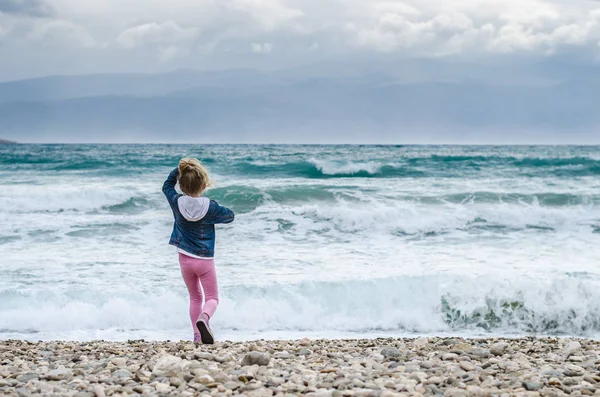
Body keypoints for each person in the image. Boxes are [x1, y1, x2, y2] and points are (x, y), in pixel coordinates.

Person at [162, 158, 234, 344]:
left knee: (195, 296)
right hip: (204, 260)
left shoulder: (176, 201)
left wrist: (180, 169)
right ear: (203, 184)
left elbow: (166, 186)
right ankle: (205, 318)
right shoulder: (210, 207)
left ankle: (196, 336)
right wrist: (213, 212)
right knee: (212, 298)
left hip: (184, 259)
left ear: (182, 185)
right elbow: (230, 216)